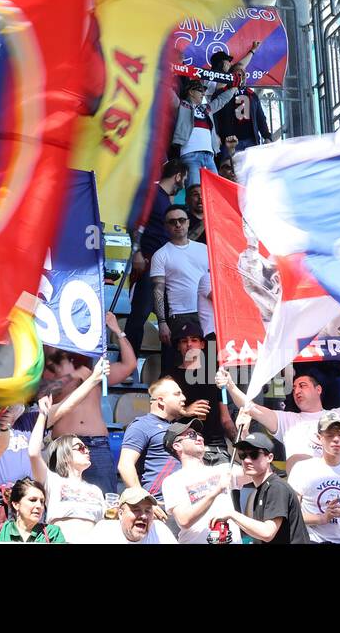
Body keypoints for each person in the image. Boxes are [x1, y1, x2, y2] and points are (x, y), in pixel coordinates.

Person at [218, 365, 340, 471]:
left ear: (318, 389)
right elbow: (250, 407)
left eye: (302, 385)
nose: (296, 390)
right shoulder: (287, 420)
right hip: (305, 510)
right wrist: (231, 386)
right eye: (294, 387)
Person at [44, 315, 135, 495]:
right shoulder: (50, 371)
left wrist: (117, 330)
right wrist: (76, 376)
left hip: (97, 444)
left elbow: (129, 365)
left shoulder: (97, 371)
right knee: (61, 498)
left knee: (104, 498)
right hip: (64, 443)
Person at [126, 159, 187, 354]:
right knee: (140, 315)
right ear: (178, 176)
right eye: (184, 179)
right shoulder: (151, 193)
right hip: (149, 263)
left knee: (170, 320)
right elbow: (133, 222)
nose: (183, 183)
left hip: (166, 268)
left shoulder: (165, 200)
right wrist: (136, 252)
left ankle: (168, 373)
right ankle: (127, 362)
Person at [28, 393, 105, 543]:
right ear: (65, 454)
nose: (87, 451)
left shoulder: (96, 490)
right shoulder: (52, 481)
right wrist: (43, 415)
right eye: (80, 448)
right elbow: (33, 453)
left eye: (87, 448)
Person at [287, 411, 340, 544]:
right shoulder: (302, 469)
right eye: (330, 435)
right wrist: (322, 518)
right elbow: (291, 513)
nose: (336, 439)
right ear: (319, 438)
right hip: (313, 540)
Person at [213, 430, 308, 544]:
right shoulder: (263, 488)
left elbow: (267, 533)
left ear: (270, 457)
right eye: (242, 455)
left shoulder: (275, 487)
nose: (247, 460)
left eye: (254, 454)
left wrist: (232, 514)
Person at [160, 420, 244, 544]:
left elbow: (255, 472)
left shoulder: (223, 469)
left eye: (199, 434)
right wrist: (216, 491)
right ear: (177, 445)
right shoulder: (172, 481)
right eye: (191, 435)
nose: (199, 437)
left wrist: (245, 433)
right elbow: (184, 520)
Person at [118, 375, 199, 498]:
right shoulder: (141, 425)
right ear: (160, 400)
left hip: (185, 502)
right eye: (177, 394)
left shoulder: (178, 427)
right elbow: (125, 464)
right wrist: (143, 499)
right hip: (159, 505)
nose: (184, 398)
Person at [150, 205, 209, 352]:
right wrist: (162, 322)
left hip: (207, 313)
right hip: (180, 315)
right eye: (172, 221)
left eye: (181, 220)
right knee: (181, 366)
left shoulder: (205, 249)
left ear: (188, 222)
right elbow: (158, 290)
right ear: (166, 226)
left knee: (209, 364)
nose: (177, 224)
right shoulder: (160, 254)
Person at [172, 321, 234, 456]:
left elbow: (226, 418)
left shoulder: (217, 375)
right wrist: (184, 411)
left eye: (194, 340)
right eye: (184, 341)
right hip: (184, 445)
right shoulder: (169, 377)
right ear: (178, 346)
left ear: (202, 344)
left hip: (215, 446)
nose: (189, 344)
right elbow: (162, 415)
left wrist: (239, 441)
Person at [171, 76, 240, 182]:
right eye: (200, 91)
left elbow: (221, 100)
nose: (203, 93)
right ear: (191, 92)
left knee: (215, 189)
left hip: (209, 156)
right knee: (194, 190)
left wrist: (235, 87)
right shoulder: (181, 105)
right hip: (190, 155)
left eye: (204, 91)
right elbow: (168, 94)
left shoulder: (206, 108)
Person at [214, 58, 273, 152]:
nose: (244, 74)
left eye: (245, 71)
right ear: (232, 75)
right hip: (229, 142)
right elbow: (214, 116)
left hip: (251, 142)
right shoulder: (221, 93)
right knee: (231, 166)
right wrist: (215, 134)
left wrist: (267, 136)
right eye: (240, 72)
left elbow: (260, 118)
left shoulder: (252, 95)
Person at [0, 477, 64, 543]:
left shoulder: (52, 533)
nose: (39, 505)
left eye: (42, 501)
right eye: (32, 500)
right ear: (16, 504)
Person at [86, 486, 176, 544]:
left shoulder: (160, 531)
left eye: (148, 511)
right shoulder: (104, 531)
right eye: (136, 510)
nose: (143, 516)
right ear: (120, 514)